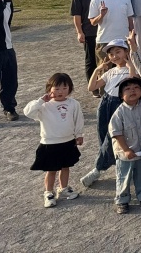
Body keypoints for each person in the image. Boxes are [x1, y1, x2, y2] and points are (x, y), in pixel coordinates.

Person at [82, 38, 138, 187]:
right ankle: (114, 163)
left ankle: (98, 168)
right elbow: (91, 87)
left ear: (126, 52)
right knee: (102, 135)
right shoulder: (110, 72)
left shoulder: (131, 69)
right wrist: (97, 70)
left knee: (111, 135)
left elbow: (132, 82)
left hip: (119, 103)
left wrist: (130, 65)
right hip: (105, 102)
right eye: (111, 54)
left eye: (118, 52)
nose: (114, 56)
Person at [24, 72, 84, 207]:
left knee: (65, 167)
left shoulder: (73, 104)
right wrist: (40, 101)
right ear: (49, 89)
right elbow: (27, 112)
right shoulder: (44, 106)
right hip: (50, 143)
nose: (60, 91)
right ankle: (48, 192)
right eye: (56, 88)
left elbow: (78, 119)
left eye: (64, 88)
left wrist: (79, 134)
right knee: (51, 170)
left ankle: (63, 188)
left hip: (68, 141)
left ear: (70, 88)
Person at [108, 77, 141, 214]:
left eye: (136, 88)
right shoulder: (119, 112)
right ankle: (122, 199)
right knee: (124, 176)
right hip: (125, 152)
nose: (132, 91)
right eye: (127, 89)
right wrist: (126, 149)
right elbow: (116, 133)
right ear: (121, 95)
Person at [70, 0, 105, 84]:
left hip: (107, 30)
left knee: (108, 58)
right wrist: (79, 32)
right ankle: (93, 85)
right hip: (90, 31)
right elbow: (77, 14)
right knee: (91, 60)